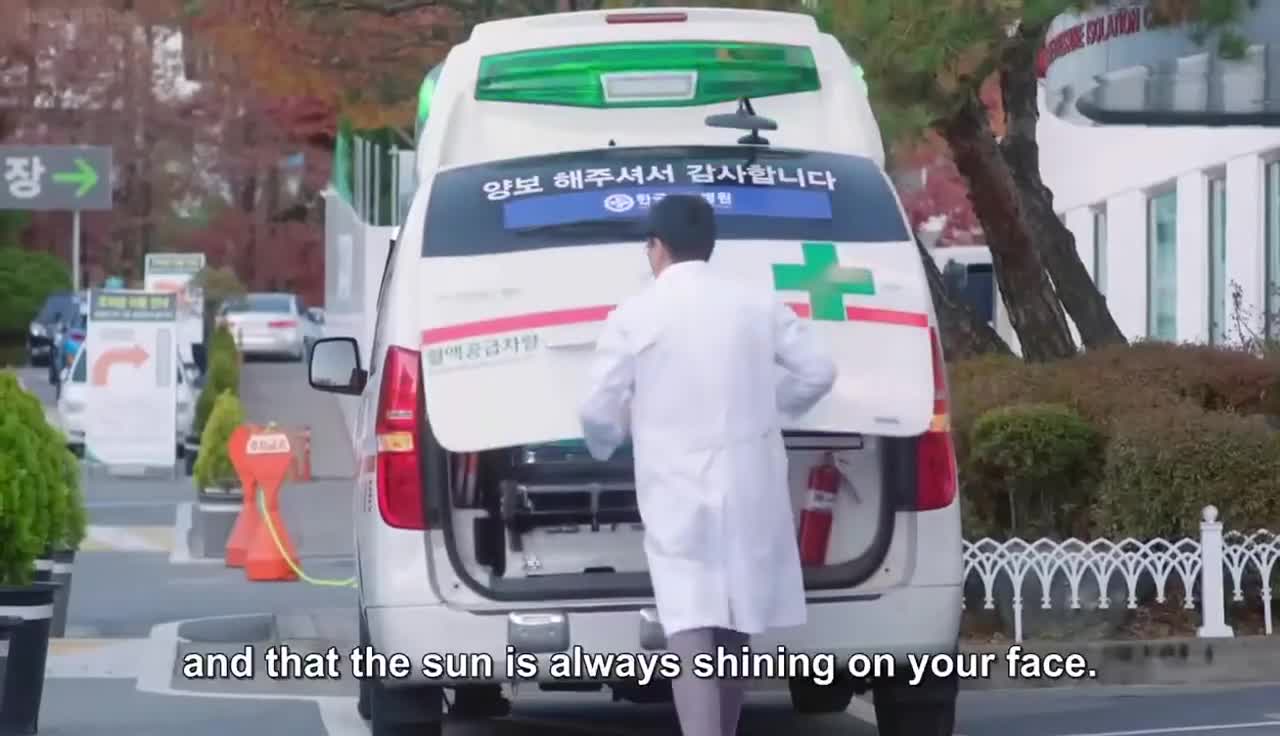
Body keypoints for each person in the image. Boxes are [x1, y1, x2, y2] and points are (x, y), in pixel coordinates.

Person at [578, 194, 838, 736]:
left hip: (676, 487)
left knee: (690, 617)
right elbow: (818, 370)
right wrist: (772, 408)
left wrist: (607, 441)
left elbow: (598, 409)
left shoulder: (635, 314)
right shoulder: (756, 304)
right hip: (749, 482)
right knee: (737, 614)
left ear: (657, 247)